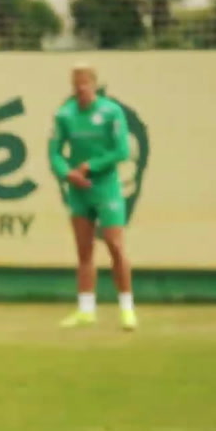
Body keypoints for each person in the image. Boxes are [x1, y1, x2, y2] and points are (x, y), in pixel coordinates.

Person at [49, 63, 137, 331]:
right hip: (78, 190)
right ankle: (86, 310)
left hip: (106, 186)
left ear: (94, 85)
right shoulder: (65, 115)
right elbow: (54, 152)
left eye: (85, 83)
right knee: (84, 249)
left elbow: (122, 150)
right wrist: (67, 174)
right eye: (76, 83)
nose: (80, 88)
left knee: (114, 244)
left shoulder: (111, 112)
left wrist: (91, 166)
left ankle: (126, 308)